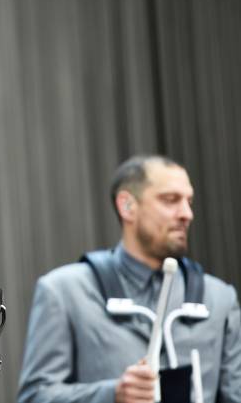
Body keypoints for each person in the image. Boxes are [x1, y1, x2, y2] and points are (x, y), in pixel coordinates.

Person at [17, 155, 241, 403]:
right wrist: (111, 394)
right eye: (170, 200)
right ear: (127, 206)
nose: (187, 214)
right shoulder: (64, 292)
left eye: (189, 201)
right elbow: (34, 397)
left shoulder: (219, 298)